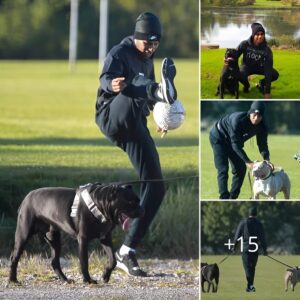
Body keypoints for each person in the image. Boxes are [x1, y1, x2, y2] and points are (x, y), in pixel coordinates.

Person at [95, 12, 177, 276]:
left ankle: (126, 251)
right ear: (138, 38)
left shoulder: (147, 57)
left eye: (156, 44)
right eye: (148, 43)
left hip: (134, 124)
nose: (151, 48)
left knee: (156, 187)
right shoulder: (120, 52)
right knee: (135, 86)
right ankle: (160, 90)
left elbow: (146, 103)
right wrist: (112, 83)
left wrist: (160, 117)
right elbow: (104, 79)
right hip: (111, 115)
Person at [209, 101, 270, 199]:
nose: (256, 118)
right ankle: (224, 197)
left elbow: (262, 144)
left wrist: (266, 159)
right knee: (223, 169)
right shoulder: (237, 121)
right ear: (250, 113)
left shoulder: (262, 126)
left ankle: (232, 197)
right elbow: (236, 146)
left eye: (259, 116)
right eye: (254, 115)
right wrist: (248, 162)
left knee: (240, 168)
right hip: (218, 138)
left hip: (233, 142)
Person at [236, 22, 279, 99]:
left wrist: (267, 92)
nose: (260, 36)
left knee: (275, 74)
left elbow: (268, 69)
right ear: (253, 35)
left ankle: (261, 84)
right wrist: (227, 59)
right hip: (246, 66)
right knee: (239, 75)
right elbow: (235, 55)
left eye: (262, 34)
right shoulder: (244, 44)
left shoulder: (267, 50)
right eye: (257, 34)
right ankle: (247, 85)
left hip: (260, 67)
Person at [233, 206, 268, 292]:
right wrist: (265, 250)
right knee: (252, 268)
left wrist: (234, 247)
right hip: (254, 248)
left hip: (245, 248)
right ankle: (250, 286)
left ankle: (250, 286)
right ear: (256, 214)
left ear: (249, 214)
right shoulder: (259, 223)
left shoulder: (243, 223)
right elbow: (262, 238)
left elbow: (237, 236)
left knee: (247, 268)